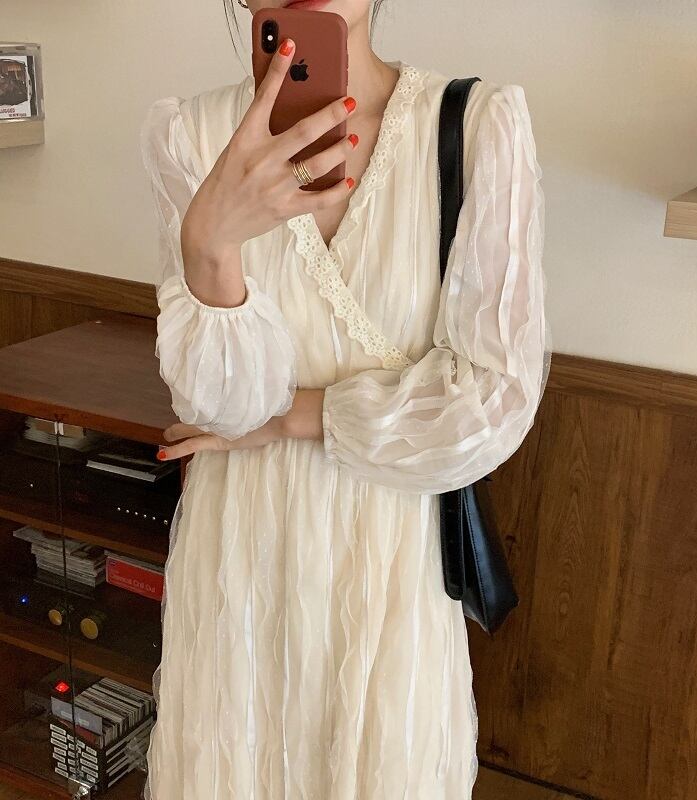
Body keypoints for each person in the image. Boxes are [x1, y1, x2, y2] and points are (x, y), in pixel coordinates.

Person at [138, 0, 550, 797]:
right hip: (241, 558)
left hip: (390, 558)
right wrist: (211, 244)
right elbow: (217, 404)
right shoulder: (189, 136)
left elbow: (491, 404)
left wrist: (291, 417)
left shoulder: (473, 128)